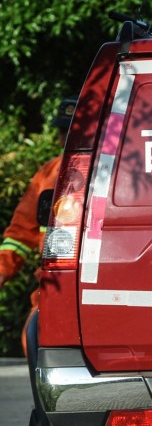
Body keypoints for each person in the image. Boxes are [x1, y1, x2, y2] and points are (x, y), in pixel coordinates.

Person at [0, 97, 73, 354]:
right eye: (63, 131)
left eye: (73, 130)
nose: (66, 137)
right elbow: (20, 234)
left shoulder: (113, 172)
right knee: (34, 341)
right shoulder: (48, 174)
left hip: (97, 282)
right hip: (53, 283)